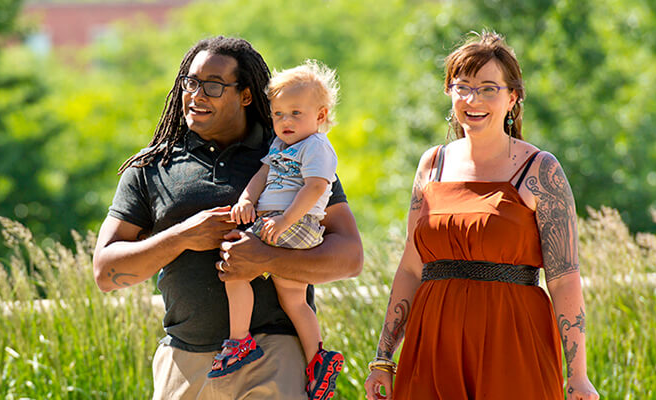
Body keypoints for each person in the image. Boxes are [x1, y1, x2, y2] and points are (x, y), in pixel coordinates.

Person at [92, 36, 364, 400]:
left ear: (246, 95)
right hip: (184, 362)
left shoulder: (292, 154)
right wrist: (182, 236)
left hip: (274, 357)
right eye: (190, 82)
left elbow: (350, 257)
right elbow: (105, 273)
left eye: (214, 86)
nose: (197, 95)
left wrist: (266, 258)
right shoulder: (151, 168)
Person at [362, 31, 600, 400]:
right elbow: (410, 267)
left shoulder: (541, 171)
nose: (473, 100)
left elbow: (564, 279)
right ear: (449, 92)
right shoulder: (432, 164)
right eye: (463, 87)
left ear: (513, 97)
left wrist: (578, 376)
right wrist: (383, 358)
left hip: (513, 344)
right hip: (432, 345)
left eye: (489, 89)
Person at [218, 60, 345, 399]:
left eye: (295, 113)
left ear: (320, 115)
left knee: (235, 262)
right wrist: (246, 199)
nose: (285, 121)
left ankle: (239, 340)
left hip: (295, 223)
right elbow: (262, 176)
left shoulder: (316, 145)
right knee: (294, 300)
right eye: (278, 114)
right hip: (280, 222)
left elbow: (316, 188)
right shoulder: (279, 145)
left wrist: (285, 220)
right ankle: (317, 359)